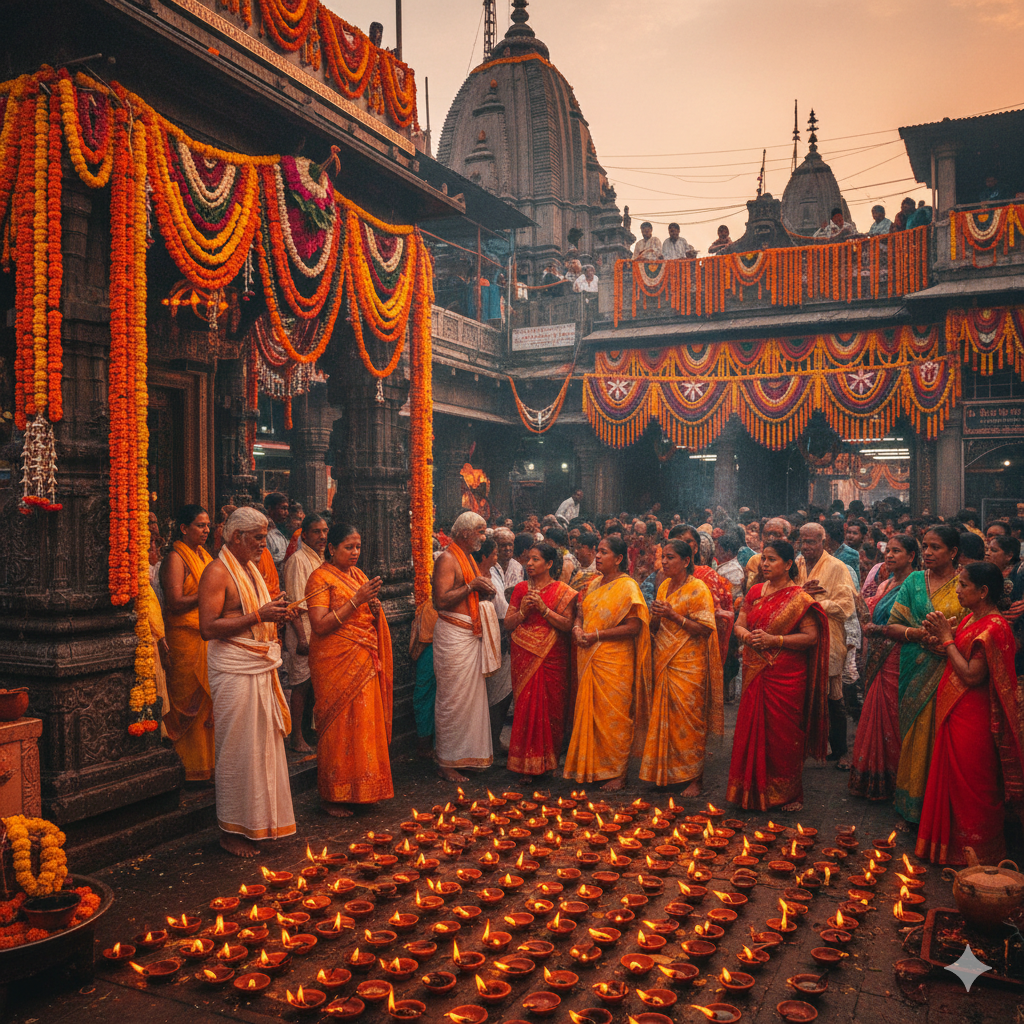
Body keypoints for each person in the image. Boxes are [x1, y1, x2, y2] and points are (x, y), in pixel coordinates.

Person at [197, 508, 295, 856]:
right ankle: (231, 830)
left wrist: (277, 612)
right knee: (237, 749)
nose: (263, 544)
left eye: (264, 536)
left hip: (257, 662)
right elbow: (208, 628)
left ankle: (259, 822)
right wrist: (258, 615)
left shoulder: (250, 569)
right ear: (236, 537)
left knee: (262, 748)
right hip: (235, 667)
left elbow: (255, 615)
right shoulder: (217, 572)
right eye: (257, 537)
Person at [917, 561, 1024, 864]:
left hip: (974, 719)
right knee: (954, 783)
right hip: (957, 713)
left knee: (973, 786)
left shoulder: (994, 628)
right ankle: (949, 848)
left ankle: (977, 854)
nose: (958, 590)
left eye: (963, 585)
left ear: (983, 591)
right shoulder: (971, 618)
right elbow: (956, 651)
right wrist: (941, 637)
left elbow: (971, 675)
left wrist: (947, 638)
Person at [726, 539, 829, 811]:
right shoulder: (755, 591)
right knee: (750, 728)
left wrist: (775, 640)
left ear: (788, 564)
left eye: (772, 559)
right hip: (755, 671)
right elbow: (739, 624)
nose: (765, 564)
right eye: (763, 558)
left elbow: (811, 637)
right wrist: (747, 637)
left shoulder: (799, 598)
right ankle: (750, 789)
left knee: (782, 735)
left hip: (785, 676)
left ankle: (788, 794)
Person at [306, 522, 392, 817]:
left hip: (362, 657)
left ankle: (363, 789)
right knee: (338, 725)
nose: (355, 552)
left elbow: (365, 613)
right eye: (348, 547)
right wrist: (357, 600)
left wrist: (374, 610)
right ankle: (333, 795)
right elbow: (319, 625)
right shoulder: (319, 578)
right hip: (334, 660)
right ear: (331, 548)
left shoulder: (358, 575)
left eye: (358, 547)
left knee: (364, 722)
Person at [885, 525, 965, 824]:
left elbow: (974, 627)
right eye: (925, 546)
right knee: (915, 734)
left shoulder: (964, 582)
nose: (928, 553)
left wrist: (947, 641)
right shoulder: (915, 581)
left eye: (935, 547)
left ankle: (940, 809)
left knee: (944, 735)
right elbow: (893, 626)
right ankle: (913, 807)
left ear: (953, 552)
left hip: (951, 669)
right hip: (914, 666)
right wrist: (918, 634)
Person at [564, 536, 651, 790]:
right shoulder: (593, 584)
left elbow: (634, 627)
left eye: (604, 552)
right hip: (589, 655)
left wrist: (597, 635)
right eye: (598, 551)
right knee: (592, 714)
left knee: (615, 716)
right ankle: (592, 767)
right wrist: (577, 629)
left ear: (619, 558)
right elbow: (581, 614)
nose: (598, 556)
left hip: (614, 661)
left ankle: (617, 773)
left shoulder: (628, 587)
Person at [641, 538, 723, 795]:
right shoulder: (664, 586)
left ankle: (694, 779)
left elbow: (705, 629)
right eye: (663, 557)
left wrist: (673, 615)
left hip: (688, 664)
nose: (664, 562)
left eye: (671, 557)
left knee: (689, 721)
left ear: (687, 561)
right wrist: (655, 617)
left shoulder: (698, 588)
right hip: (664, 658)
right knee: (665, 718)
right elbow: (658, 625)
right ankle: (666, 774)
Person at [849, 534, 920, 801]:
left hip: (899, 655)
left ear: (911, 556)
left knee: (893, 713)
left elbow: (914, 623)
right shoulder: (886, 583)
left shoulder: (916, 584)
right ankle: (874, 774)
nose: (889, 555)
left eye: (896, 551)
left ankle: (897, 779)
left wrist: (876, 629)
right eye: (888, 550)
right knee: (875, 709)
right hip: (877, 654)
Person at [431, 512, 501, 782]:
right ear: (465, 533)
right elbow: (440, 600)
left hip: (470, 635)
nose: (484, 537)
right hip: (453, 635)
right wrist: (472, 586)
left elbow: (468, 592)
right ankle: (446, 761)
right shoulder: (447, 559)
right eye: (480, 532)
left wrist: (482, 590)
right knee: (452, 699)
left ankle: (467, 756)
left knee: (470, 701)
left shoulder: (469, 558)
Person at [504, 542, 577, 780]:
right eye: (529, 559)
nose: (530, 563)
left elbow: (568, 625)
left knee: (551, 708)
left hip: (552, 657)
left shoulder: (563, 591)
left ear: (549, 564)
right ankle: (525, 765)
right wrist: (523, 612)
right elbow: (508, 624)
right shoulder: (520, 589)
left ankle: (547, 762)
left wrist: (544, 610)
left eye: (536, 559)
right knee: (526, 707)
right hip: (524, 655)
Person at [160, 505, 215, 782]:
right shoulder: (175, 558)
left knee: (208, 706)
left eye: (207, 525)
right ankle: (186, 768)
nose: (206, 530)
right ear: (184, 528)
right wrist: (208, 593)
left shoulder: (205, 555)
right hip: (185, 639)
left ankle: (207, 766)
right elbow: (175, 602)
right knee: (186, 703)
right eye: (200, 525)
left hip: (206, 636)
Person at [799, 523, 856, 764]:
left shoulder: (837, 567)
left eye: (811, 542)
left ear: (824, 542)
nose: (806, 547)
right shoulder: (797, 564)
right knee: (802, 695)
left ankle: (840, 750)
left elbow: (846, 607)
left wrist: (815, 603)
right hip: (801, 638)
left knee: (833, 697)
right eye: (803, 541)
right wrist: (801, 595)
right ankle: (806, 747)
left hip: (829, 638)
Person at [281, 514, 328, 753]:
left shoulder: (321, 559)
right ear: (305, 535)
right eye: (316, 532)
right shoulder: (297, 560)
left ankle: (312, 732)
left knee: (315, 685)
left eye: (325, 531)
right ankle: (296, 737)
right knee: (300, 684)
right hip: (302, 630)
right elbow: (294, 603)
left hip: (319, 629)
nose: (322, 536)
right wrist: (301, 637)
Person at [474, 538, 513, 753]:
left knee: (504, 686)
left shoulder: (495, 571)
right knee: (488, 687)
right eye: (495, 554)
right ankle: (486, 740)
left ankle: (494, 737)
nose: (497, 558)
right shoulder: (474, 576)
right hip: (486, 634)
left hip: (501, 631)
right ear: (483, 556)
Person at [679, 525, 735, 666]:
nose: (682, 546)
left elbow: (714, 620)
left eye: (688, 541)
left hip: (697, 649)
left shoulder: (707, 576)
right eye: (678, 541)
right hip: (668, 647)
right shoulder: (662, 577)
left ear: (696, 548)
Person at [409, 598, 438, 759]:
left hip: (436, 646)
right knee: (425, 695)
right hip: (430, 648)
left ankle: (429, 743)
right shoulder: (429, 607)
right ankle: (424, 744)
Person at [745, 519, 806, 588]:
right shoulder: (755, 560)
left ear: (789, 539)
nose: (771, 538)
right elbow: (751, 588)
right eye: (767, 534)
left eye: (776, 534)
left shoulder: (800, 561)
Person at [263, 492, 290, 573]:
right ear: (270, 509)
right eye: (283, 508)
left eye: (287, 509)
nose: (286, 512)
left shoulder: (280, 530)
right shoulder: (265, 533)